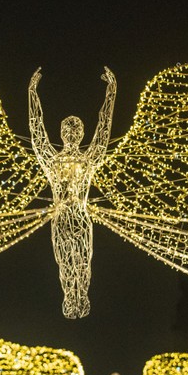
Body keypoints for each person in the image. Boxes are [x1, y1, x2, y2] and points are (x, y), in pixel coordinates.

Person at [28, 67, 117, 318]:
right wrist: (32, 93)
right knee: (66, 263)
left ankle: (82, 297)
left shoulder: (89, 160)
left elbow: (104, 129)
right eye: (67, 130)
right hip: (62, 218)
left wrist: (111, 92)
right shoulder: (52, 161)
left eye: (75, 130)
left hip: (80, 215)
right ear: (61, 134)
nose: (71, 133)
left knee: (83, 261)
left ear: (81, 134)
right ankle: (70, 298)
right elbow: (37, 134)